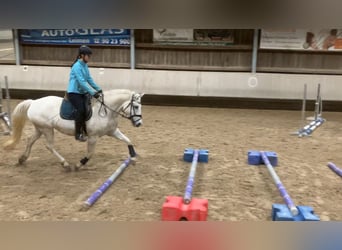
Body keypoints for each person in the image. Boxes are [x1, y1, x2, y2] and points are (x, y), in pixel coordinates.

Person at [66, 45, 102, 142]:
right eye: (88, 56)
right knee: (81, 110)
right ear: (82, 55)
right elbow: (82, 82)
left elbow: (89, 79)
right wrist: (93, 92)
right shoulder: (76, 66)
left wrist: (98, 89)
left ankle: (86, 130)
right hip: (74, 92)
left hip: (82, 92)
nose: (89, 58)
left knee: (88, 108)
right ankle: (78, 133)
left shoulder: (85, 65)